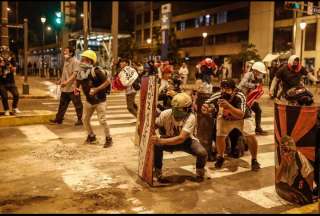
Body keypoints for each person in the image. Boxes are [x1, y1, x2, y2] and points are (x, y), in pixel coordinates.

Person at [201, 79, 261, 171]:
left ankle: (254, 159)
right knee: (220, 136)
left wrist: (228, 106)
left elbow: (241, 114)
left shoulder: (240, 96)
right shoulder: (219, 94)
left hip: (242, 118)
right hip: (226, 117)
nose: (225, 92)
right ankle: (220, 157)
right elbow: (206, 103)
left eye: (228, 90)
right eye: (223, 89)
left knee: (250, 136)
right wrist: (205, 108)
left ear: (234, 90)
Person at [151, 92, 208, 182]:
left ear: (187, 109)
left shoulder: (191, 117)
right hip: (168, 138)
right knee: (156, 145)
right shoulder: (165, 114)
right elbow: (153, 126)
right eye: (174, 108)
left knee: (202, 153)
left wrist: (160, 141)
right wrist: (147, 123)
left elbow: (181, 138)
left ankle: (200, 172)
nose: (176, 111)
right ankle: (157, 171)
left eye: (179, 109)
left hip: (186, 141)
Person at [75, 49, 113, 148]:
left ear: (90, 61)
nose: (81, 61)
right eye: (81, 59)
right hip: (89, 101)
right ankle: (91, 136)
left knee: (102, 120)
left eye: (83, 60)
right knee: (85, 119)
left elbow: (107, 82)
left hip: (100, 100)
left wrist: (96, 89)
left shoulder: (96, 71)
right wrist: (76, 88)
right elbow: (78, 81)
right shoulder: (81, 72)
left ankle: (109, 138)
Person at [275, 135, 315, 205]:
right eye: (284, 149)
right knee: (294, 197)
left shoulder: (299, 157)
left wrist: (311, 191)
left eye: (290, 149)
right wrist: (283, 164)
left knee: (303, 198)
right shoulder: (278, 155)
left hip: (297, 184)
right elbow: (277, 179)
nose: (288, 152)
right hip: (284, 186)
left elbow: (309, 175)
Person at [50, 47, 83, 126]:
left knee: (77, 104)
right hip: (65, 88)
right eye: (64, 52)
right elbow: (64, 73)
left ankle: (80, 120)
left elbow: (74, 74)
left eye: (66, 52)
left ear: (71, 53)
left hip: (73, 87)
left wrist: (66, 82)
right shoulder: (66, 61)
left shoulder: (75, 62)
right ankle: (59, 119)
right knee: (62, 104)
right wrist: (61, 81)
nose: (64, 53)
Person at [238, 61, 268, 135]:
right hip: (241, 98)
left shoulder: (258, 78)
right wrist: (253, 86)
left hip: (250, 99)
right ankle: (241, 131)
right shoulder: (248, 75)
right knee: (245, 114)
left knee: (258, 110)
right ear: (254, 70)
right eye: (259, 72)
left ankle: (258, 128)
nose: (260, 74)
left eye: (261, 72)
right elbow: (243, 83)